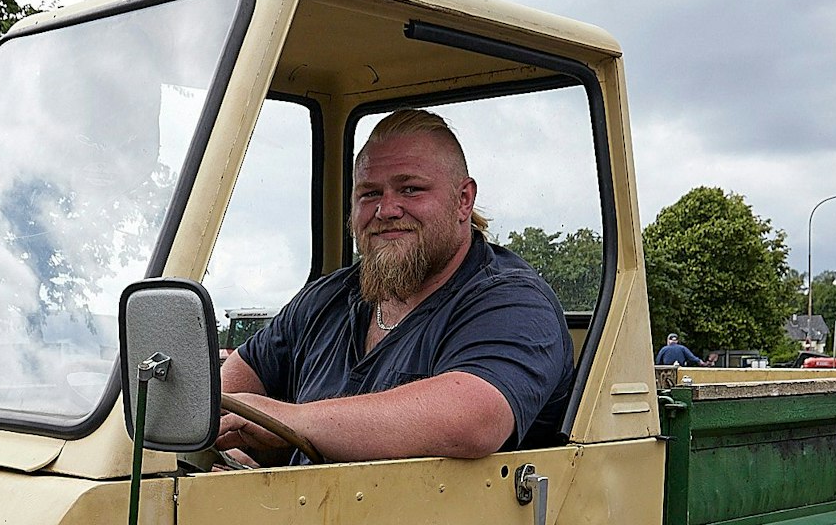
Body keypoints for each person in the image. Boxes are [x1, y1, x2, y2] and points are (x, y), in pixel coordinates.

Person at [218, 109, 573, 464]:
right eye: (370, 194)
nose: (386, 209)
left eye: (410, 189)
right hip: (300, 514)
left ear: (463, 200)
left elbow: (471, 420)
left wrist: (292, 419)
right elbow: (224, 394)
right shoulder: (328, 298)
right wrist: (233, 454)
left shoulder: (513, 303)